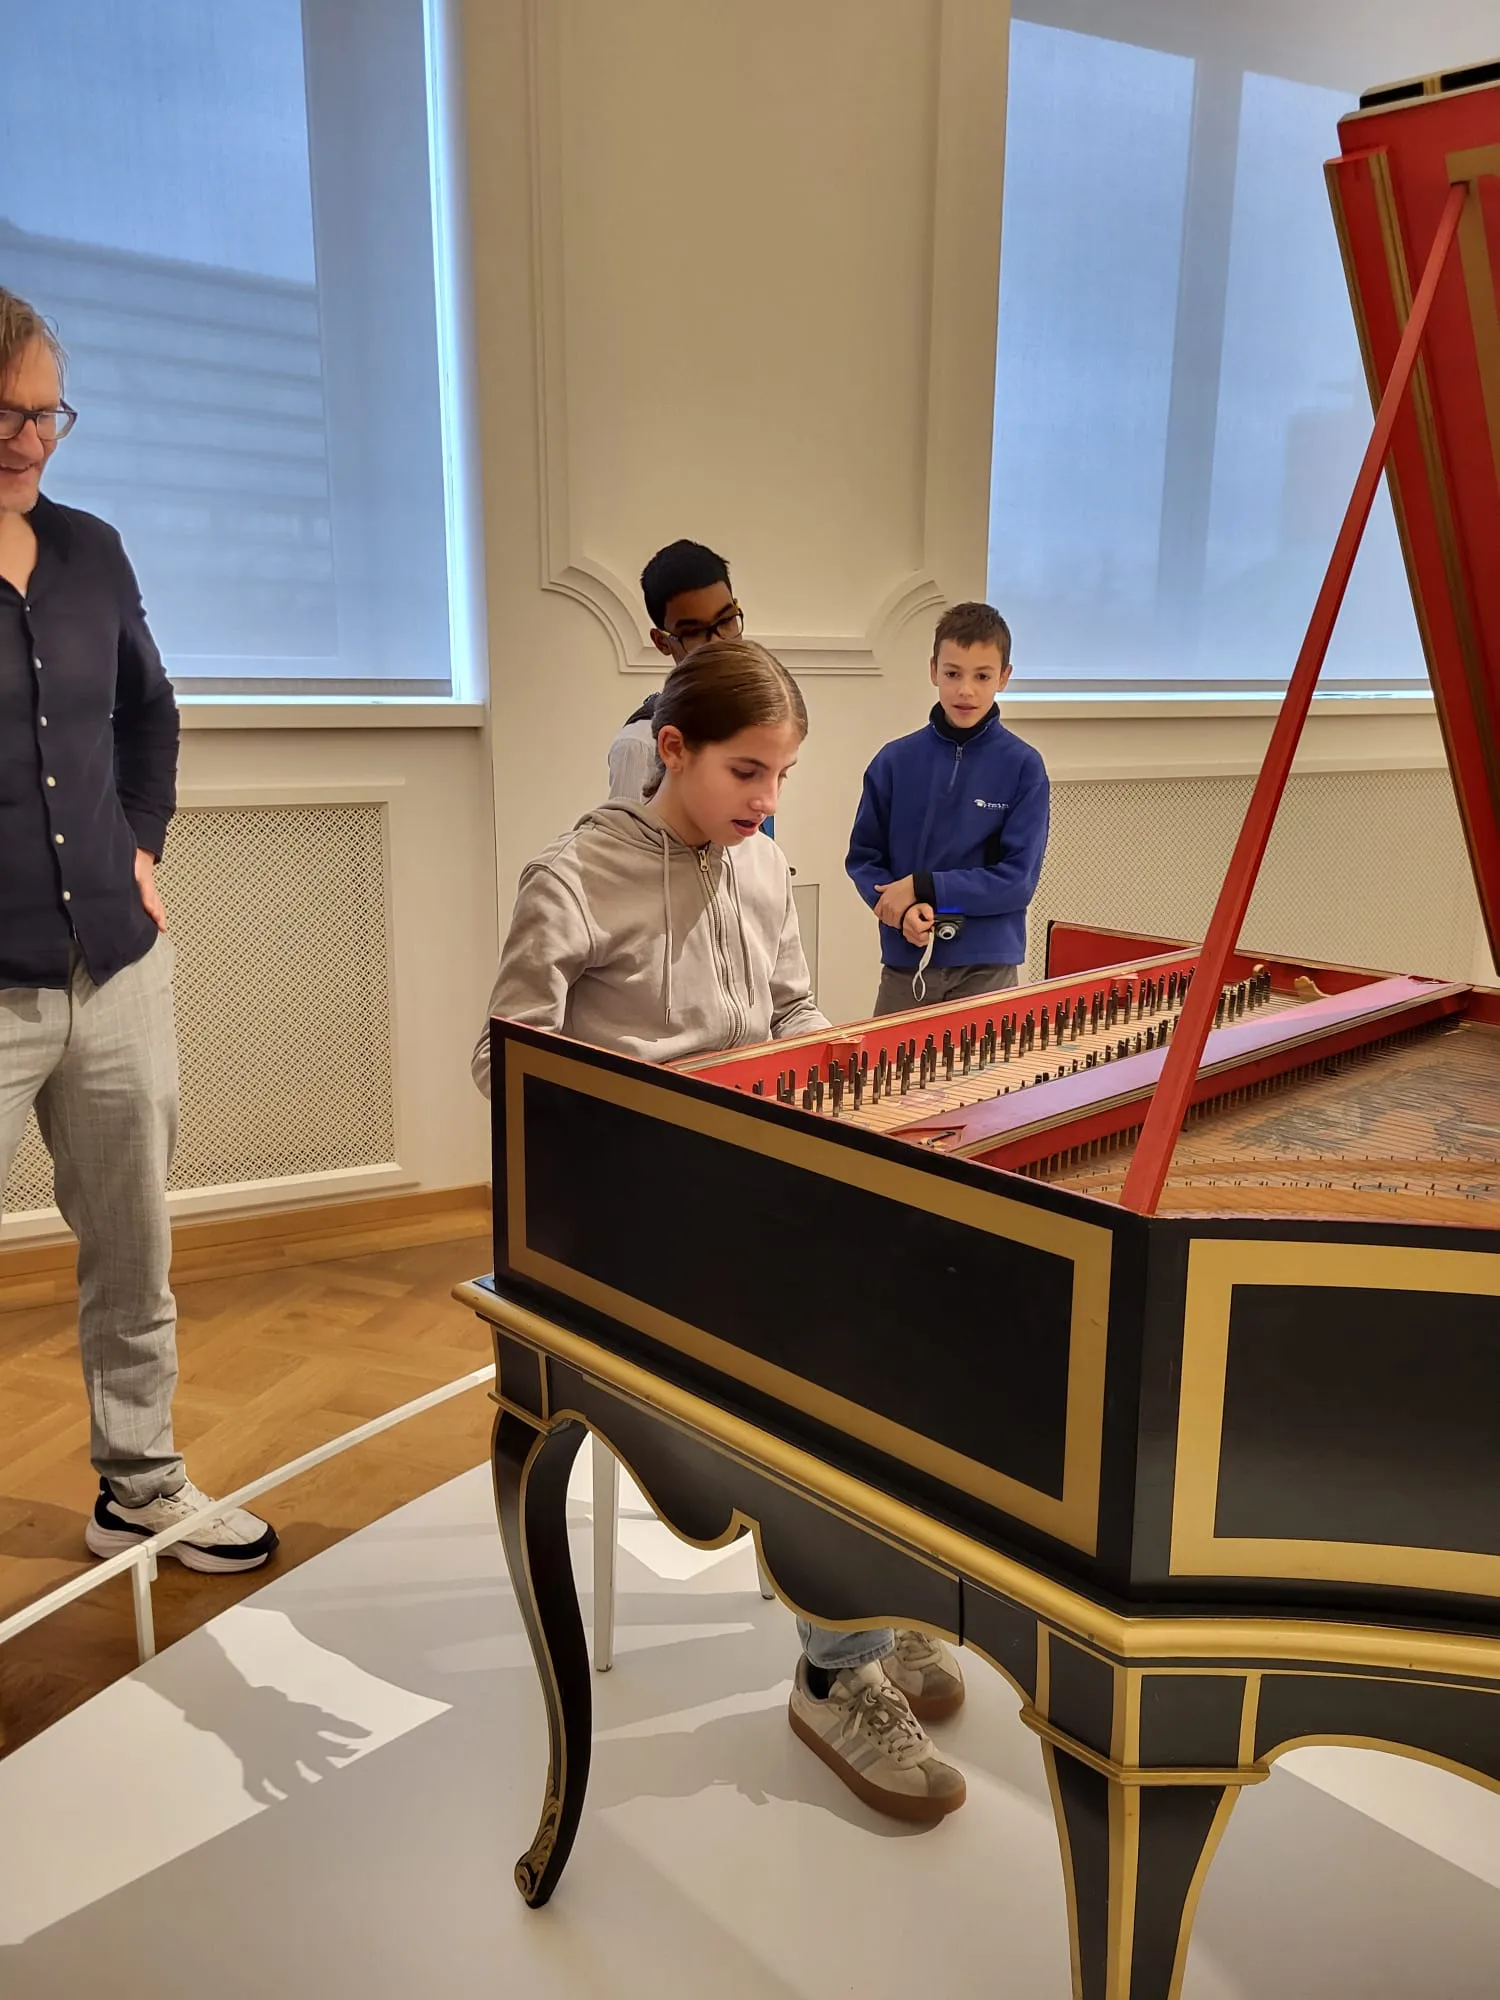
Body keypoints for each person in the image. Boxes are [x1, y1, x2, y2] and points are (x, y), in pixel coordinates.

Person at [475, 638, 966, 1821]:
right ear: (673, 749)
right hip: (635, 1222)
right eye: (748, 770)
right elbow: (505, 1063)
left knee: (932, 1287)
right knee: (832, 1348)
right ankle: (835, 1669)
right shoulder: (572, 878)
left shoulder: (761, 863)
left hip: (756, 1187)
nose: (767, 796)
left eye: (783, 773)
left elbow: (789, 1007)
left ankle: (871, 1594)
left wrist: (847, 1062)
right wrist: (647, 1121)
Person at [0, 288, 276, 1572]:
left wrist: (143, 844)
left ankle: (142, 1480)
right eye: (4, 415)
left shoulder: (92, 551)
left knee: (132, 1246)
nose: (30, 440)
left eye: (47, 412)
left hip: (114, 963)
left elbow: (148, 713)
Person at [847, 601, 1049, 1018]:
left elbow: (1017, 881)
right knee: (889, 1064)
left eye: (982, 676)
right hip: (907, 967)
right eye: (953, 673)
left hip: (987, 968)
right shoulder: (894, 762)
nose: (965, 690)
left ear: (1004, 677)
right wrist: (902, 909)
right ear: (933, 670)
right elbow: (864, 859)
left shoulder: (1023, 767)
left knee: (987, 1065)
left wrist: (925, 887)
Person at [606, 539, 744, 805]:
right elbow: (625, 833)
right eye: (693, 632)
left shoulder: (755, 720)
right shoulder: (640, 745)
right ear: (661, 642)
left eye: (726, 620)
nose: (717, 643)